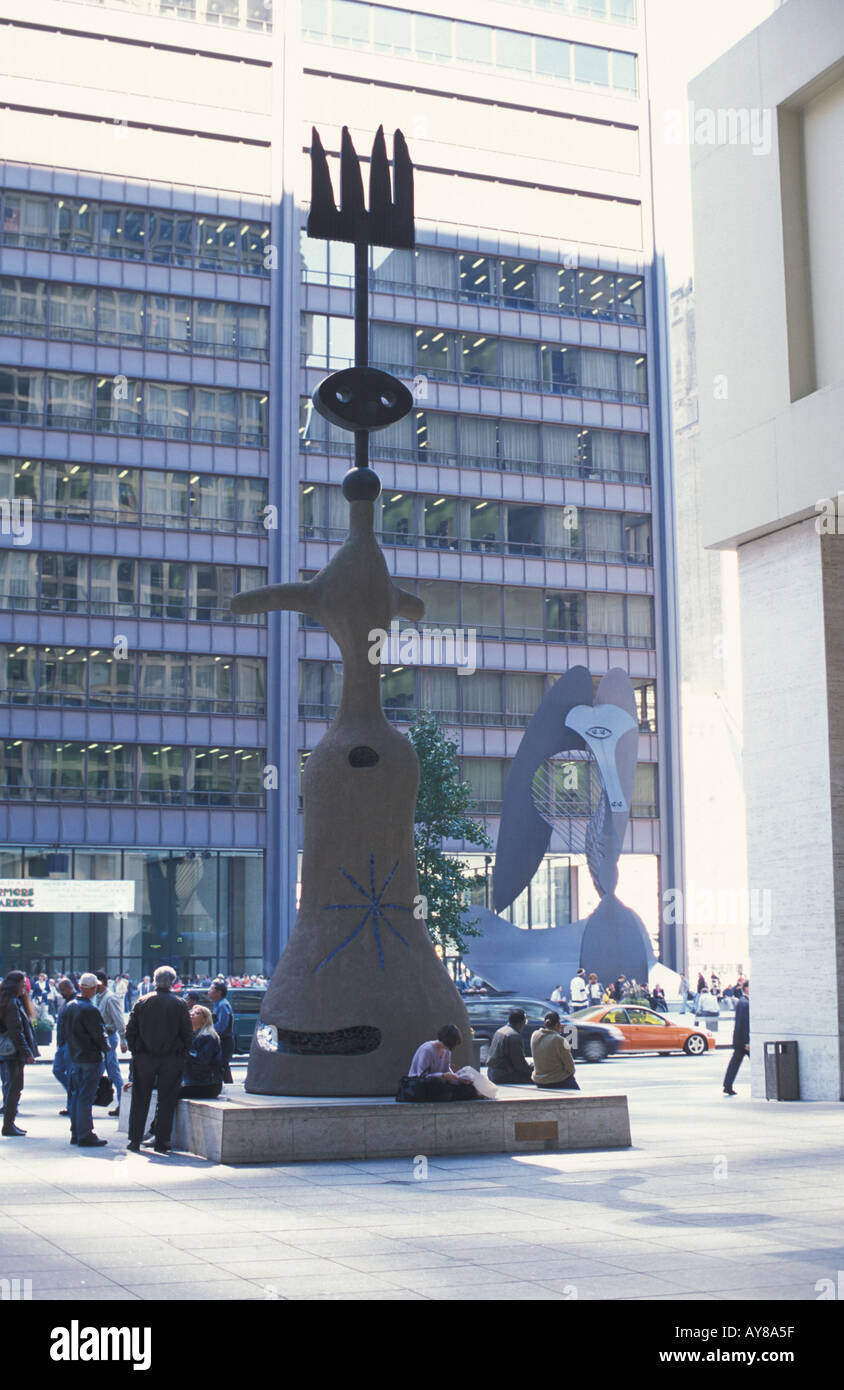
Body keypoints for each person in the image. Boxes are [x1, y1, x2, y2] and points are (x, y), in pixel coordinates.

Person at [126, 965, 193, 1155]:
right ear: (172, 982)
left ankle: (135, 1139)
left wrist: (137, 1051)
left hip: (145, 1057)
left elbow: (130, 1031)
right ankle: (162, 1141)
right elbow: (187, 1033)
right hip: (171, 1058)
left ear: (155, 981)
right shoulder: (179, 1004)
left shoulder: (142, 1002)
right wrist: (182, 1053)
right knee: (167, 1100)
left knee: (140, 1098)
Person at [64, 973, 109, 1147]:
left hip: (76, 1056)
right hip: (90, 1057)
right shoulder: (89, 1009)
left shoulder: (70, 1006)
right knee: (85, 1096)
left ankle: (77, 1132)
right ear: (91, 989)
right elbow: (98, 1035)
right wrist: (106, 1048)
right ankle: (85, 1133)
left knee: (76, 1095)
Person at [0, 970, 39, 1136]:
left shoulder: (9, 1000)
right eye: (23, 983)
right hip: (14, 1052)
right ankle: (8, 1125)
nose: (26, 986)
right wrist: (27, 1052)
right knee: (15, 1087)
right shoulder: (12, 1003)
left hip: (10, 1051)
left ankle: (9, 1124)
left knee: (12, 1086)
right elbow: (17, 1031)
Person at [407, 1025, 479, 1101]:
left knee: (468, 1089)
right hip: (421, 1084)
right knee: (436, 1084)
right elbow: (421, 1076)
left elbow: (446, 1070)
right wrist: (442, 1075)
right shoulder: (427, 1050)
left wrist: (458, 1078)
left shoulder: (447, 1051)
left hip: (441, 1082)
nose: (449, 1049)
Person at [94, 970, 127, 1117]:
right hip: (102, 1038)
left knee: (110, 1071)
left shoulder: (110, 998)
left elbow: (119, 1020)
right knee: (111, 1070)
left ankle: (122, 1103)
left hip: (109, 1037)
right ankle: (122, 1103)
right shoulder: (98, 997)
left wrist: (123, 1040)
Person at [180, 1006, 224, 1099]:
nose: (191, 1014)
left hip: (206, 1085)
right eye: (191, 1012)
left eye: (197, 1013)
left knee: (168, 1093)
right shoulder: (192, 1035)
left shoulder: (208, 1036)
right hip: (194, 1082)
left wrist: (182, 1050)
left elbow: (201, 1061)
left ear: (205, 1019)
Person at [530, 1011, 579, 1091]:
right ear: (557, 1024)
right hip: (557, 1080)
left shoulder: (535, 1035)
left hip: (538, 1080)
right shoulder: (560, 1040)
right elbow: (570, 1067)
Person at [486, 1009, 533, 1086]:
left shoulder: (500, 1030)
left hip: (491, 1072)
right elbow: (519, 1064)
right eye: (525, 1022)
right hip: (503, 1074)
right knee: (537, 1078)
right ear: (520, 1023)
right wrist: (531, 1071)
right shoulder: (513, 1035)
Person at [52, 977, 77, 1115]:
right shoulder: (68, 1002)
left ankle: (72, 1103)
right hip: (63, 1043)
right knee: (57, 1070)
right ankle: (73, 1095)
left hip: (69, 1043)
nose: (61, 993)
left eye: (62, 990)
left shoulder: (74, 1002)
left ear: (69, 988)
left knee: (68, 1073)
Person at [723, 980, 750, 1096]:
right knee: (760, 1064)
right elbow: (744, 1024)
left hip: (740, 1040)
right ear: (746, 988)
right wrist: (747, 1042)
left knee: (734, 1064)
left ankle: (727, 1085)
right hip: (745, 1041)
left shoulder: (742, 1001)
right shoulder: (745, 1003)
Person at [207, 979, 235, 1084]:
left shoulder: (223, 1005)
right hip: (221, 1040)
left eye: (211, 989)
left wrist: (209, 1031)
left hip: (225, 1041)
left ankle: (228, 1086)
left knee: (222, 1065)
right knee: (221, 1065)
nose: (208, 991)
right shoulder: (217, 1004)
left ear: (219, 992)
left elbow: (222, 1025)